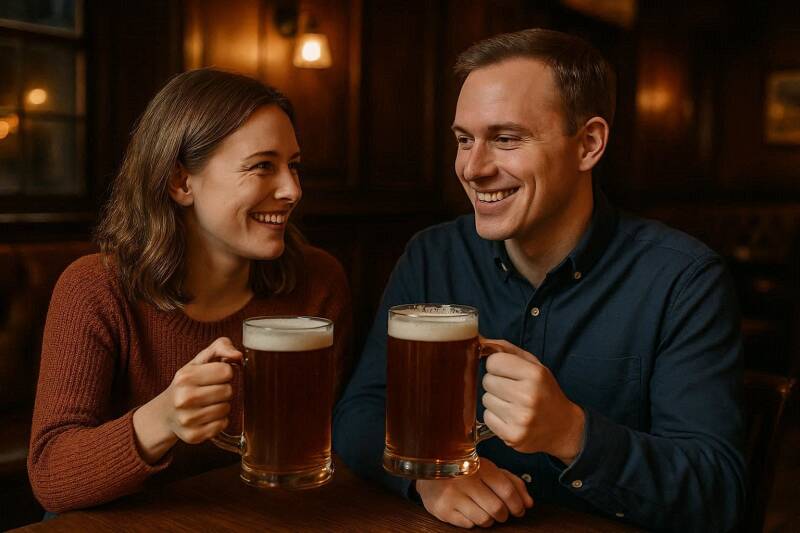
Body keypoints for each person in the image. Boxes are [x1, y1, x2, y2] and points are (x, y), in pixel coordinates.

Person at [334, 28, 744, 532]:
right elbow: (360, 412)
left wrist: (573, 433)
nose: (473, 167)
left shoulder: (682, 278)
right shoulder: (432, 255)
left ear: (589, 144)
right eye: (464, 140)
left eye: (506, 139)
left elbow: (717, 493)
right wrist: (427, 476)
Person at [28, 68, 352, 513]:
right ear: (181, 182)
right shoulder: (95, 287)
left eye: (293, 165)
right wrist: (163, 418)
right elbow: (51, 477)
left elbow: (319, 450)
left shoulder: (319, 281)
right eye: (262, 166)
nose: (291, 190)